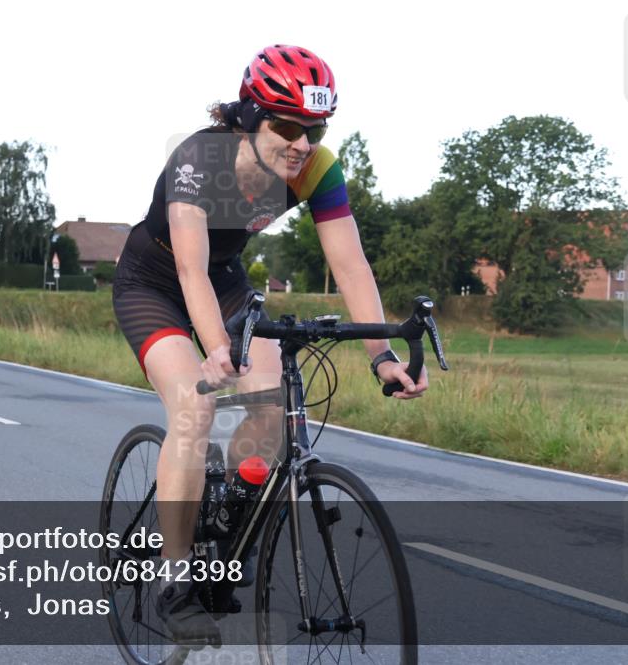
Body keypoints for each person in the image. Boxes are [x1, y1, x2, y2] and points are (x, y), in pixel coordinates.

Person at [112, 44, 429, 643]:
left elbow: (352, 265)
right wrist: (213, 349)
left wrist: (382, 356)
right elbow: (188, 273)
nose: (303, 143)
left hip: (225, 280)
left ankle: (231, 516)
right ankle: (174, 578)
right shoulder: (199, 158)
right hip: (154, 281)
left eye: (316, 128)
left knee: (276, 396)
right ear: (250, 117)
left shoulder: (316, 167)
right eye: (287, 126)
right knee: (197, 404)